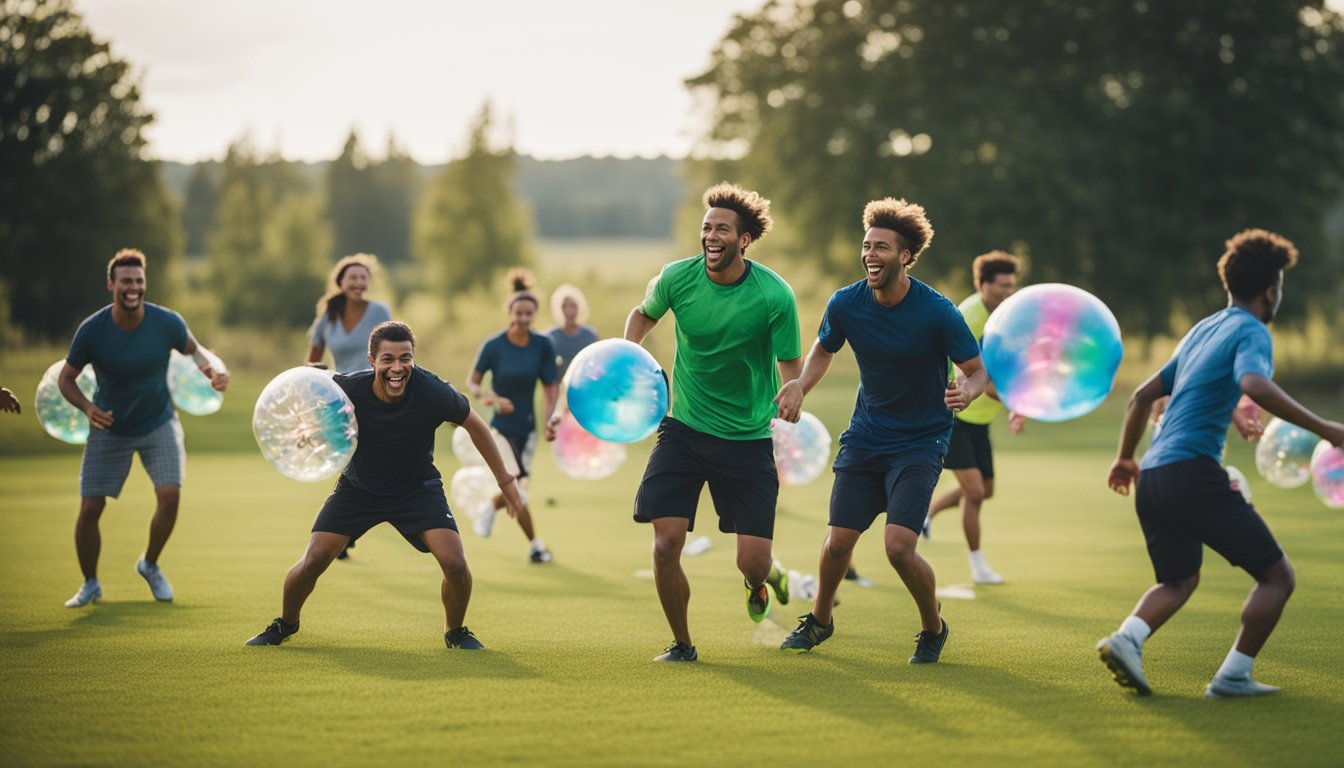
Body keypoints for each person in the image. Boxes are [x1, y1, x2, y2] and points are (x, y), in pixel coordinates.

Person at [1098, 229, 1344, 698]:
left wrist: (1125, 460)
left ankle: (1126, 640)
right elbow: (1252, 381)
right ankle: (1233, 676)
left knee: (1179, 579)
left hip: (1154, 474)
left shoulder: (1203, 329)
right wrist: (1329, 429)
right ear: (1271, 291)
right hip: (1192, 471)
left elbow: (1141, 397)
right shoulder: (1253, 330)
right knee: (1278, 577)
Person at [774, 198, 986, 663]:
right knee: (836, 546)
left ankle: (933, 627)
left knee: (899, 547)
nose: (871, 254)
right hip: (866, 437)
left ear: (906, 256)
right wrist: (799, 388)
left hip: (921, 441)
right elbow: (823, 350)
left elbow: (976, 369)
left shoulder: (937, 311)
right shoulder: (846, 303)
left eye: (883, 247)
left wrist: (967, 392)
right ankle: (821, 621)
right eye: (867, 245)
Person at [245, 321, 525, 649]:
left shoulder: (433, 391)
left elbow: (476, 426)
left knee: (455, 564)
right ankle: (286, 623)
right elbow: (311, 407)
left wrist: (506, 482)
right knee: (314, 560)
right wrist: (309, 432)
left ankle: (455, 631)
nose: (397, 368)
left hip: (417, 489)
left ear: (413, 359)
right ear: (372, 360)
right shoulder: (348, 389)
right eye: (388, 359)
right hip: (359, 489)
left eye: (405, 358)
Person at [622, 182, 799, 663]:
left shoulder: (773, 294)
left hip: (746, 439)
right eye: (706, 228)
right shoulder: (677, 278)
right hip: (685, 429)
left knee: (752, 562)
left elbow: (790, 363)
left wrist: (793, 389)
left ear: (744, 240)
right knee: (665, 545)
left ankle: (766, 578)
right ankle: (682, 643)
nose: (711, 236)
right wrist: (629, 356)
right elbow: (642, 315)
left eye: (722, 229)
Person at [59, 249, 229, 608]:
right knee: (90, 508)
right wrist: (88, 408)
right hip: (110, 426)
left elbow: (197, 352)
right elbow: (66, 379)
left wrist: (212, 370)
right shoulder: (92, 330)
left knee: (170, 497)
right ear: (112, 285)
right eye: (126, 282)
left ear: (144, 283)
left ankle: (149, 564)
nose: (133, 287)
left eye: (138, 281)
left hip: (158, 422)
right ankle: (90, 583)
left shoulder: (166, 322)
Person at [924, 251, 1027, 584]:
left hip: (982, 421)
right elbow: (970, 376)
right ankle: (978, 565)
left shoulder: (1010, 318)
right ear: (983, 284)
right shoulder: (968, 316)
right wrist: (1014, 403)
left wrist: (1020, 401)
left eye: (1012, 286)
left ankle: (929, 512)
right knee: (975, 493)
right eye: (1001, 286)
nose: (1008, 293)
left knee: (985, 490)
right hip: (956, 415)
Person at [467, 268, 560, 564]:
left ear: (535, 314)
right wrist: (491, 399)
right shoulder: (494, 346)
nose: (523, 318)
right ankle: (536, 545)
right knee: (517, 487)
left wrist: (549, 420)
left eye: (528, 314)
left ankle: (489, 507)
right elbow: (472, 383)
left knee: (519, 491)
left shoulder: (542, 345)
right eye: (518, 312)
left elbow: (550, 387)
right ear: (509, 311)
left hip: (528, 431)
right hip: (500, 430)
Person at [307, 253, 392, 559]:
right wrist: (314, 376)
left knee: (367, 458)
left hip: (375, 393)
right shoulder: (327, 317)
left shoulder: (379, 311)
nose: (358, 283)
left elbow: (394, 348)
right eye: (352, 278)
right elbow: (313, 358)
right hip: (341, 397)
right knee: (349, 463)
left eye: (362, 278)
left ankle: (347, 530)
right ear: (340, 282)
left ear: (368, 283)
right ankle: (344, 529)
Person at [545, 283, 599, 380]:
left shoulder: (590, 336)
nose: (569, 311)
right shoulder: (551, 337)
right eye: (564, 306)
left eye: (573, 306)